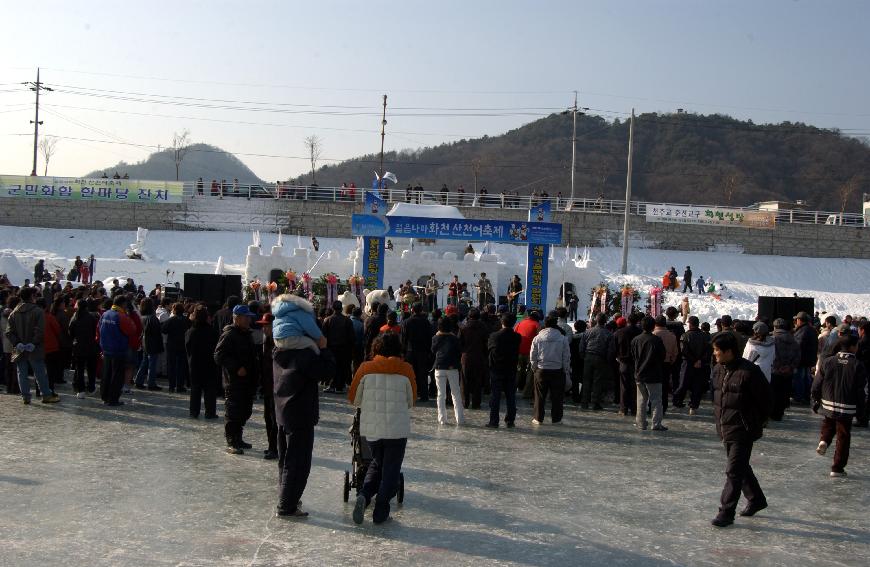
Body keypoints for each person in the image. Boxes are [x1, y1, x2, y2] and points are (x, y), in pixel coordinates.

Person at [349, 332, 416, 524]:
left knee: (377, 463)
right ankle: (381, 509)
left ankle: (364, 494)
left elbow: (354, 398)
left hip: (373, 430)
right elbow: (411, 401)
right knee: (391, 469)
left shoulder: (364, 368)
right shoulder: (406, 369)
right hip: (397, 430)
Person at [272, 316, 334, 518]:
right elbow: (327, 371)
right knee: (298, 462)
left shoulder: (279, 350)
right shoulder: (304, 356)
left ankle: (286, 497)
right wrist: (324, 348)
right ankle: (287, 505)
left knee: (286, 459)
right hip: (300, 413)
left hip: (283, 410)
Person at [710, 332, 772, 527]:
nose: (714, 354)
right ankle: (756, 499)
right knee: (739, 466)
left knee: (733, 471)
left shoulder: (749, 372)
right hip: (725, 425)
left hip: (743, 428)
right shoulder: (719, 369)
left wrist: (755, 422)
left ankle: (726, 512)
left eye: (717, 350)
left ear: (728, 351)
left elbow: (766, 401)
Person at [812, 335, 867, 477]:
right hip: (847, 405)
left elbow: (817, 384)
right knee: (843, 435)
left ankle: (824, 440)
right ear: (852, 347)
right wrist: (862, 410)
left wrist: (816, 399)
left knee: (828, 423)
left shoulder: (828, 361)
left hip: (828, 402)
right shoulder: (858, 365)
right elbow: (860, 390)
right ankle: (837, 468)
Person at [214, 305, 260, 455]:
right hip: (234, 382)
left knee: (245, 411)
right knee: (233, 412)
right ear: (237, 318)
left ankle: (238, 438)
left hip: (247, 381)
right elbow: (219, 355)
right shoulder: (229, 335)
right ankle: (231, 441)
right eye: (246, 317)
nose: (249, 320)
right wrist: (235, 367)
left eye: (249, 317)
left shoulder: (246, 334)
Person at [5, 287, 59, 404]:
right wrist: (33, 342)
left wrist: (17, 343)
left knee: (22, 373)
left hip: (19, 349)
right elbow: (40, 330)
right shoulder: (38, 311)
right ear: (32, 297)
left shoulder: (14, 312)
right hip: (35, 347)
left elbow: (9, 332)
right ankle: (46, 395)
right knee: (39, 372)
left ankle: (26, 397)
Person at [530, 312, 570, 425]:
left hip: (541, 369)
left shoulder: (537, 338)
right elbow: (566, 356)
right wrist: (565, 370)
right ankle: (556, 419)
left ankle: (538, 418)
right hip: (557, 370)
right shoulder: (563, 338)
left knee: (539, 396)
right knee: (557, 397)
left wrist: (535, 368)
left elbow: (533, 355)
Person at [98, 294, 136, 406]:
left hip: (106, 349)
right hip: (118, 350)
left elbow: (99, 329)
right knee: (117, 375)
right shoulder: (121, 316)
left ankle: (104, 396)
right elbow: (132, 330)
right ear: (123, 304)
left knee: (106, 374)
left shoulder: (105, 314)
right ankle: (113, 398)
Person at [631, 316, 667, 431]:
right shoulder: (656, 340)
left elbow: (633, 356)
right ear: (653, 326)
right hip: (654, 374)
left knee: (641, 400)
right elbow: (662, 356)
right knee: (656, 400)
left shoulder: (635, 340)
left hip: (639, 373)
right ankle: (656, 423)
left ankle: (641, 423)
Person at [487, 313, 521, 428]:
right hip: (511, 368)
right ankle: (510, 420)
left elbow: (489, 349)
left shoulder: (494, 336)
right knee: (511, 396)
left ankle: (494, 421)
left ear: (502, 322)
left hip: (497, 369)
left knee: (495, 396)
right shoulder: (517, 337)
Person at [186, 305, 220, 420]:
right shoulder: (213, 332)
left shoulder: (190, 331)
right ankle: (210, 412)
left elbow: (188, 348)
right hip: (209, 364)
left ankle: (193, 412)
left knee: (195, 389)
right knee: (210, 389)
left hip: (194, 363)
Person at [431, 316, 464, 426]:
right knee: (456, 393)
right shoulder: (454, 338)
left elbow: (433, 350)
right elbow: (459, 352)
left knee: (441, 394)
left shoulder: (436, 338)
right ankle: (459, 418)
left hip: (439, 367)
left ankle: (442, 419)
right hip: (452, 367)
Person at [674, 316, 710, 414]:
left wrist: (693, 360)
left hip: (687, 363)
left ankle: (678, 401)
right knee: (697, 385)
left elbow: (684, 351)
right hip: (700, 364)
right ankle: (693, 406)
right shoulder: (704, 336)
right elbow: (708, 351)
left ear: (690, 324)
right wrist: (699, 360)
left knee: (683, 383)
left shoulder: (685, 336)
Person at [579, 314, 615, 410]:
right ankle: (595, 403)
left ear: (596, 320)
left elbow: (582, 346)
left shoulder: (588, 332)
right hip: (601, 358)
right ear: (605, 321)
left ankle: (584, 402)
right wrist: (608, 361)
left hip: (588, 357)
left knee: (586, 380)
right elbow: (610, 350)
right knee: (598, 381)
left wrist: (583, 356)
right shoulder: (609, 334)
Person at [400, 302, 433, 402]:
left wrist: (403, 351)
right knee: (422, 374)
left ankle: (411, 394)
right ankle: (424, 395)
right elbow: (429, 338)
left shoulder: (406, 322)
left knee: (410, 374)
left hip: (410, 351)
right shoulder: (426, 322)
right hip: (423, 351)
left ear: (412, 310)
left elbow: (403, 339)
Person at [321, 301, 355, 394]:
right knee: (342, 366)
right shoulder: (347, 320)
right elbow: (351, 336)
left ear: (333, 308)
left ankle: (332, 385)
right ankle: (340, 386)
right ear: (341, 308)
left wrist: (323, 349)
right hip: (344, 348)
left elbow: (323, 336)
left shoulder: (327, 320)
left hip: (331, 347)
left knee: (332, 366)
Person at [258, 312, 279, 459]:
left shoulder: (278, 343)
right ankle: (271, 446)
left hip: (275, 387)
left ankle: (275, 448)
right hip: (267, 386)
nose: (264, 329)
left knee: (274, 419)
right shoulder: (266, 341)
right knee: (268, 418)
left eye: (267, 326)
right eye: (263, 326)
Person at [459, 308, 489, 409]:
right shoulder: (484, 328)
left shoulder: (463, 328)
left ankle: (465, 402)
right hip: (479, 357)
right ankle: (476, 403)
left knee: (464, 381)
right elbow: (486, 343)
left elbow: (460, 343)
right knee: (477, 381)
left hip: (466, 357)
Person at [614, 313, 642, 416]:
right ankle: (634, 408)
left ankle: (623, 408)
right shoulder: (640, 332)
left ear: (628, 321)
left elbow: (614, 347)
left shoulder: (619, 332)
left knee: (624, 386)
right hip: (636, 363)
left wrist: (617, 356)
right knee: (635, 387)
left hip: (623, 362)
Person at [135, 298, 164, 391]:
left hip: (144, 342)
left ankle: (138, 381)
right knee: (152, 363)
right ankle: (151, 383)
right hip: (152, 342)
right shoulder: (152, 318)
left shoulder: (142, 317)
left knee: (144, 362)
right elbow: (157, 331)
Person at [162, 303, 190, 392]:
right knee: (181, 366)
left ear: (174, 310)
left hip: (172, 345)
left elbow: (164, 330)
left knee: (171, 366)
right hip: (182, 345)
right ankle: (180, 386)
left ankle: (171, 386)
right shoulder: (186, 320)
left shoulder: (171, 320)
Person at [793, 311, 818, 405]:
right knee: (807, 378)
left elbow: (798, 346)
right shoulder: (811, 330)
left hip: (801, 360)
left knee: (799, 378)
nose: (795, 321)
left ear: (799, 320)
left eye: (796, 319)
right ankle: (807, 396)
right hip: (809, 359)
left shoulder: (802, 331)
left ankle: (799, 397)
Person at [516, 311, 541, 399]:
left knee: (519, 371)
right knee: (530, 373)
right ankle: (526, 393)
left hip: (519, 352)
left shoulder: (520, 323)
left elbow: (515, 334)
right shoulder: (537, 325)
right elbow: (539, 339)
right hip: (530, 353)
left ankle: (514, 389)